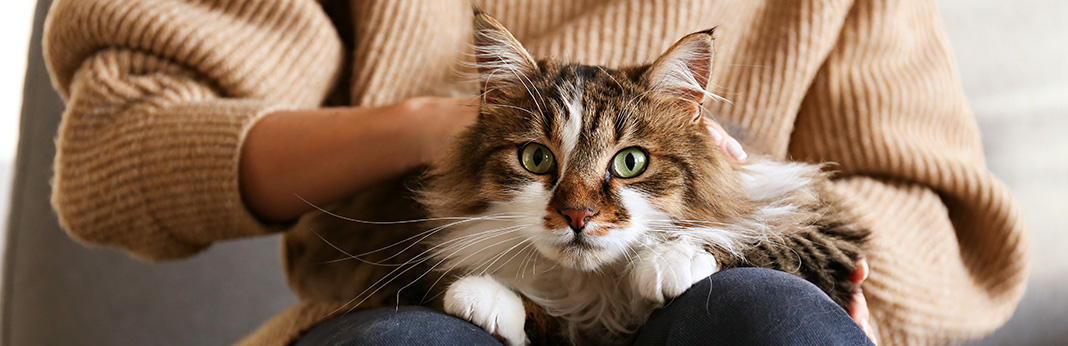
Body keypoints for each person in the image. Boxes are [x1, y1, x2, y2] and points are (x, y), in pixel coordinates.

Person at [42, 0, 1027, 345]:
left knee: (767, 322)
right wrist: (429, 126)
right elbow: (117, 148)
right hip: (427, 304)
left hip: (714, 287)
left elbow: (941, 217)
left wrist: (805, 266)